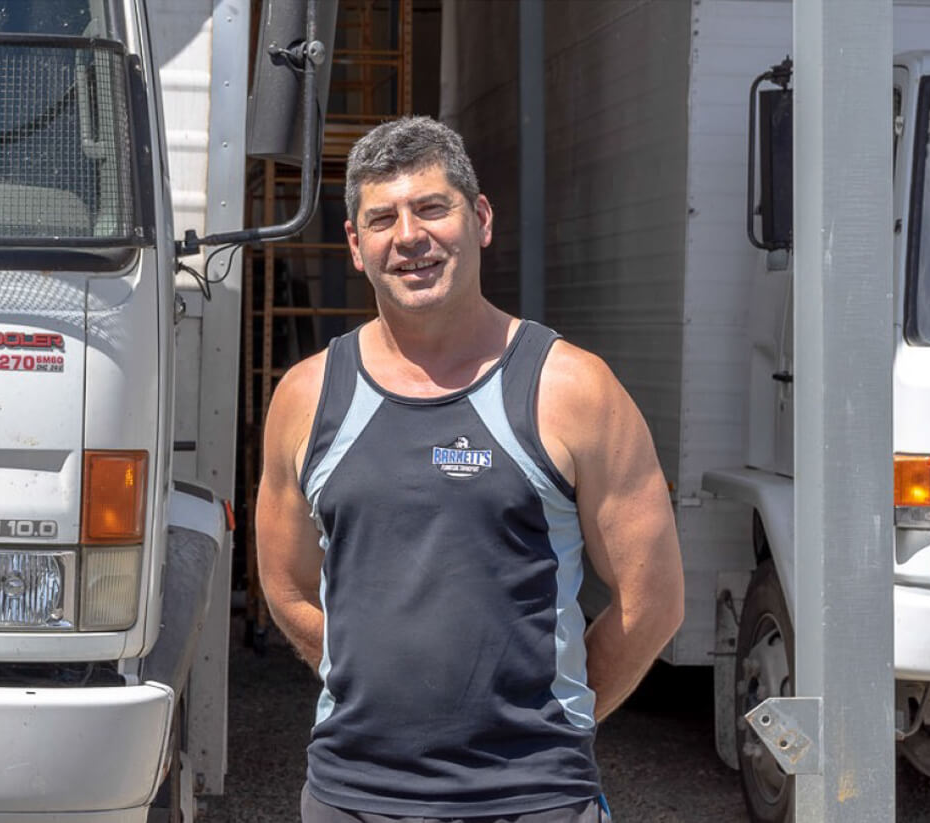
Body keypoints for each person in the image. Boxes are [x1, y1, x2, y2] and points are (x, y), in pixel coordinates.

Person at [255, 116, 685, 823]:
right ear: (355, 246)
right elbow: (287, 585)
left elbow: (652, 603)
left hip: (534, 800)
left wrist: (553, 727)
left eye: (431, 208)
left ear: (478, 218)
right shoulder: (306, 396)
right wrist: (370, 692)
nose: (408, 237)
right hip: (350, 797)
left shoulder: (572, 389)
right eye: (381, 218)